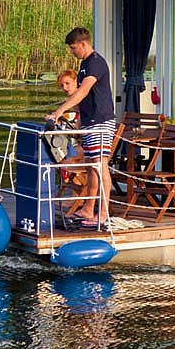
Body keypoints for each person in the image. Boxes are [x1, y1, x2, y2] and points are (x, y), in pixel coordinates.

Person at [49, 27, 116, 226]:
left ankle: (103, 213)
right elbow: (81, 98)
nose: (72, 52)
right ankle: (88, 208)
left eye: (73, 48)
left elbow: (84, 91)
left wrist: (60, 110)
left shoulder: (96, 63)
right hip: (88, 122)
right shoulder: (85, 64)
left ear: (83, 44)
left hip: (100, 122)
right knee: (90, 165)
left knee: (100, 166)